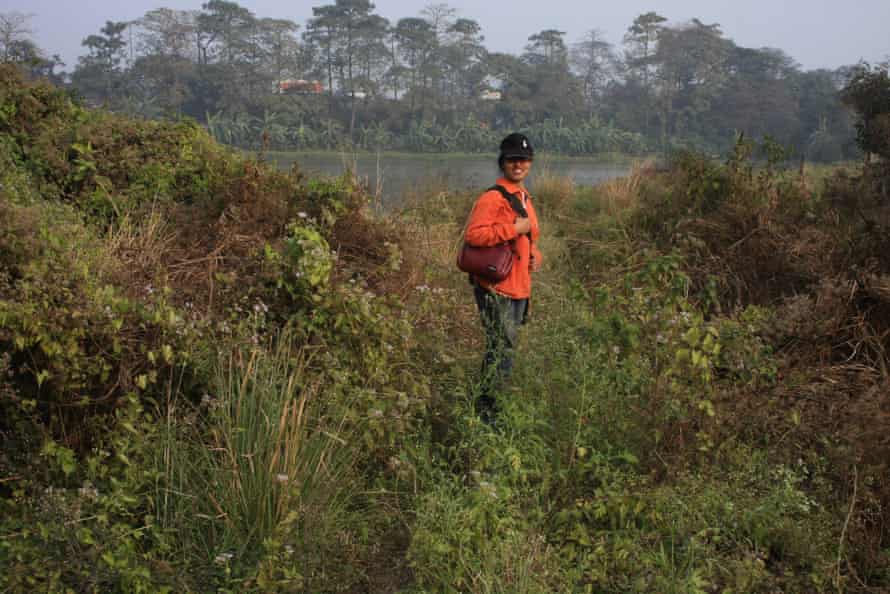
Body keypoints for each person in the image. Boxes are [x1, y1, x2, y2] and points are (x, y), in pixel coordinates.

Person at [464, 133, 542, 424]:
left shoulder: (524, 197)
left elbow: (529, 238)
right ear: (503, 163)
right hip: (496, 288)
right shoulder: (492, 197)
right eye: (511, 160)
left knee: (504, 348)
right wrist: (513, 228)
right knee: (500, 349)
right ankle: (487, 414)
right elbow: (474, 235)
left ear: (530, 162)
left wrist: (535, 255)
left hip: (519, 287)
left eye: (522, 159)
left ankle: (492, 408)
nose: (517, 164)